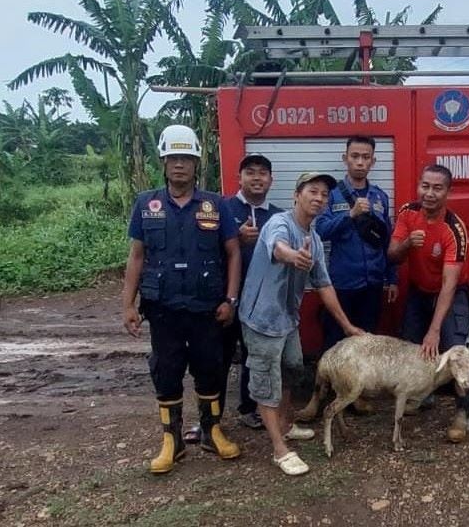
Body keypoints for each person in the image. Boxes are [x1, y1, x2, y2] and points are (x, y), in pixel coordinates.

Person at [122, 124, 242, 475]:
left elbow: (233, 253)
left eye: (186, 159)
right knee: (167, 371)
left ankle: (212, 431)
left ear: (196, 164)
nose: (179, 165)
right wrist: (127, 305)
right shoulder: (147, 204)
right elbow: (136, 257)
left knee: (210, 368)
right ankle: (171, 441)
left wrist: (230, 300)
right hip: (164, 308)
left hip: (207, 307)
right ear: (163, 161)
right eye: (173, 158)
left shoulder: (215, 204)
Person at [239, 172, 365, 476]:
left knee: (292, 369)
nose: (319, 198)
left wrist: (348, 326)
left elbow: (324, 286)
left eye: (324, 194)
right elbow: (278, 247)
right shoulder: (279, 223)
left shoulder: (317, 241)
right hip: (261, 321)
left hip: (287, 320)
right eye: (313, 191)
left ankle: (284, 425)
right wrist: (293, 256)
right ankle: (279, 450)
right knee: (266, 382)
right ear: (297, 194)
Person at [184, 154, 282, 442]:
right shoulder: (220, 208)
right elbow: (201, 249)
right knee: (216, 360)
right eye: (250, 172)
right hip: (225, 300)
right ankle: (208, 421)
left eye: (263, 173)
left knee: (255, 359)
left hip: (260, 305)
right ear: (239, 178)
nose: (256, 178)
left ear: (271, 180)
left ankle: (249, 410)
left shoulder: (277, 216)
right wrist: (235, 239)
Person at [387, 164, 469, 444]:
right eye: (425, 185)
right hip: (418, 291)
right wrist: (407, 244)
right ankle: (424, 398)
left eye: (437, 188)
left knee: (457, 353)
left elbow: (449, 284)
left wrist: (435, 328)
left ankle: (463, 413)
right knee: (412, 347)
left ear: (448, 192)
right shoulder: (407, 213)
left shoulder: (455, 229)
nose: (430, 193)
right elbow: (392, 256)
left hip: (450, 293)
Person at [316, 136, 397, 350]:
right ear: (345, 159)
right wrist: (350, 215)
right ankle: (330, 384)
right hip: (342, 284)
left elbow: (387, 240)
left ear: (373, 161)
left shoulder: (380, 197)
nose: (360, 162)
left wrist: (392, 277)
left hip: (373, 284)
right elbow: (321, 231)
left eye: (365, 157)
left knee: (366, 343)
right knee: (335, 343)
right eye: (355, 156)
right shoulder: (331, 195)